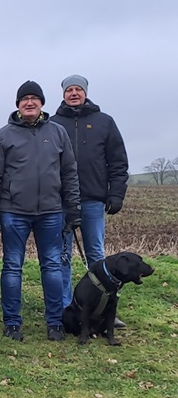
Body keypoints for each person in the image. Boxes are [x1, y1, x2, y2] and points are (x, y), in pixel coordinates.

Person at [0, 80, 81, 342]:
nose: (29, 103)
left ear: (41, 104)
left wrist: (73, 208)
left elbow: (69, 172)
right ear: (17, 104)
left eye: (34, 99)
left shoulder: (58, 133)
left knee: (52, 266)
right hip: (13, 212)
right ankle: (12, 322)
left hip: (51, 212)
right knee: (12, 267)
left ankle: (55, 322)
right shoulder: (3, 135)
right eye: (24, 99)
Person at [52, 75, 129, 324]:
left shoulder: (104, 122)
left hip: (94, 200)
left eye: (78, 89)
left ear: (85, 92)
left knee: (97, 255)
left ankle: (104, 308)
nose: (74, 93)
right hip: (61, 201)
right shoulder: (53, 124)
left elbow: (118, 161)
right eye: (69, 90)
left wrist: (116, 193)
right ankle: (67, 307)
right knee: (63, 255)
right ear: (63, 94)